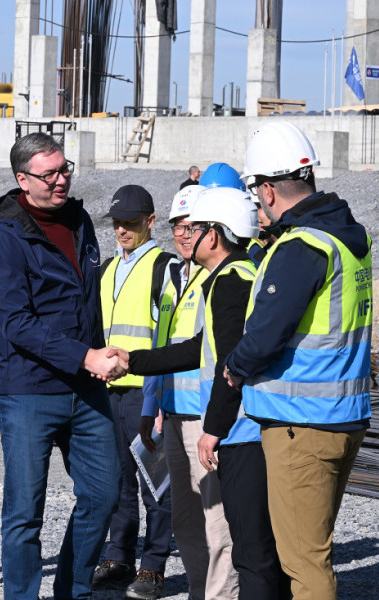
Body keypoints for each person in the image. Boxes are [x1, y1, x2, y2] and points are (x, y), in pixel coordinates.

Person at [225, 121, 373, 600]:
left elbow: (266, 335)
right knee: (314, 549)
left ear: (267, 190)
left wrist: (235, 366)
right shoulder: (346, 238)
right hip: (342, 416)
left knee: (304, 563)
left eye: (256, 192)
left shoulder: (302, 246)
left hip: (301, 424)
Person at [0, 132, 124, 600]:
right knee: (25, 512)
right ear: (23, 179)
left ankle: (72, 591)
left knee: (103, 494)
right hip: (29, 390)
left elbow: (86, 302)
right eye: (50, 174)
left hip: (86, 386)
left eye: (65, 169)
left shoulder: (79, 219)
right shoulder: (4, 237)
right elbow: (15, 322)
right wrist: (85, 355)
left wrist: (100, 354)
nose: (61, 180)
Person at [129, 181, 243, 600]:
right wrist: (151, 402)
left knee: (217, 521)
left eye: (190, 225)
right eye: (177, 225)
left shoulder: (218, 276)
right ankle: (200, 591)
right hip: (173, 412)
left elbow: (207, 351)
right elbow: (166, 344)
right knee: (186, 520)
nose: (182, 233)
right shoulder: (171, 276)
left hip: (206, 416)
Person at [188, 188, 291, 600]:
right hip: (256, 427)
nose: (187, 236)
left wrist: (213, 428)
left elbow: (230, 365)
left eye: (194, 228)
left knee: (252, 551)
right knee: (268, 547)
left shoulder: (230, 282)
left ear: (213, 235)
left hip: (243, 432)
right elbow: (204, 350)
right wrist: (134, 360)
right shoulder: (245, 273)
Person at [94, 184, 174, 600]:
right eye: (117, 222)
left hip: (145, 391)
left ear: (150, 221)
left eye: (131, 222)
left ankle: (154, 567)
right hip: (108, 393)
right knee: (118, 481)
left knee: (155, 483)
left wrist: (158, 398)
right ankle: (119, 556)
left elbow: (168, 338)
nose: (122, 230)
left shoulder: (164, 267)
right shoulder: (107, 268)